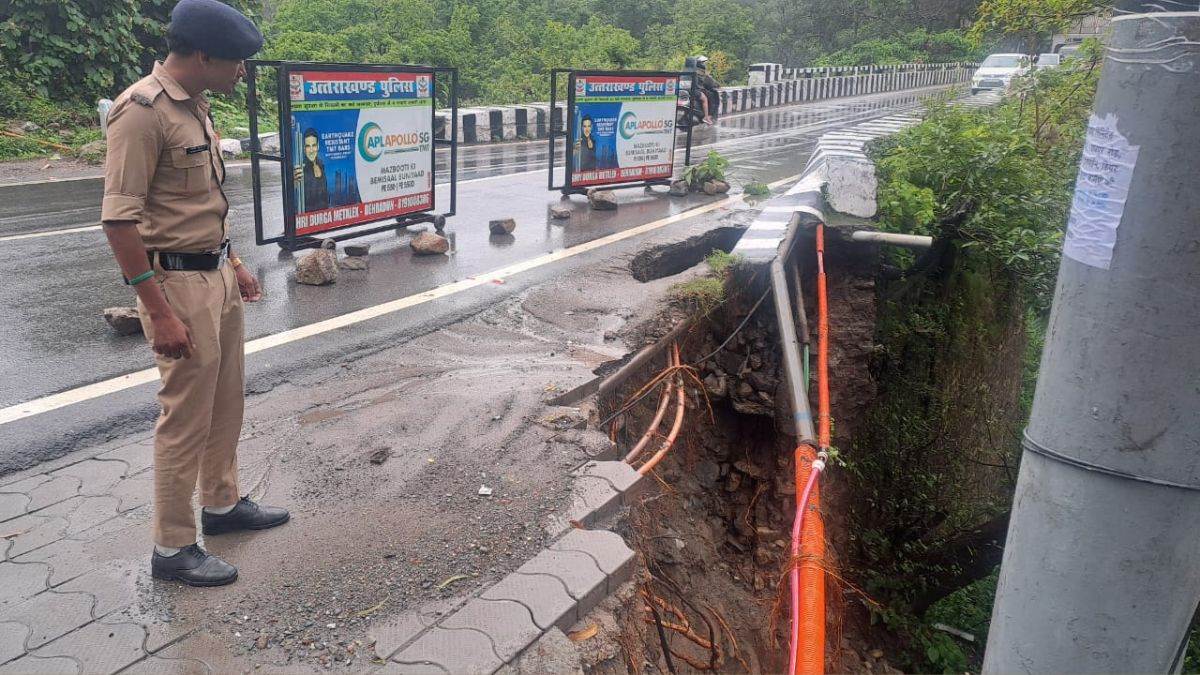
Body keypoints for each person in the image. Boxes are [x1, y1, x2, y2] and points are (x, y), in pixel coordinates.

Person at [100, 0, 289, 588]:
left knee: (225, 402)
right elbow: (120, 222)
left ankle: (224, 506)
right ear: (203, 55)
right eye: (236, 61)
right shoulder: (142, 112)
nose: (241, 71)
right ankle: (173, 546)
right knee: (184, 417)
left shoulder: (196, 106)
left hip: (216, 275)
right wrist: (156, 311)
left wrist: (234, 262)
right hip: (176, 286)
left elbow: (196, 204)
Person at [294, 128, 330, 211]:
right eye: (307, 146)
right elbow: (293, 187)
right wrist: (294, 181)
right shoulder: (300, 168)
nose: (311, 150)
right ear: (303, 148)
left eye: (313, 145)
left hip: (324, 217)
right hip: (308, 218)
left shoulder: (321, 165)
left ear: (318, 146)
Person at [694, 56, 720, 125]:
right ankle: (706, 117)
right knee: (707, 98)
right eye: (703, 63)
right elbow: (710, 82)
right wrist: (717, 84)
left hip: (689, 90)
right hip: (696, 90)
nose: (704, 64)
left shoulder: (691, 70)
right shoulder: (701, 73)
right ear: (700, 64)